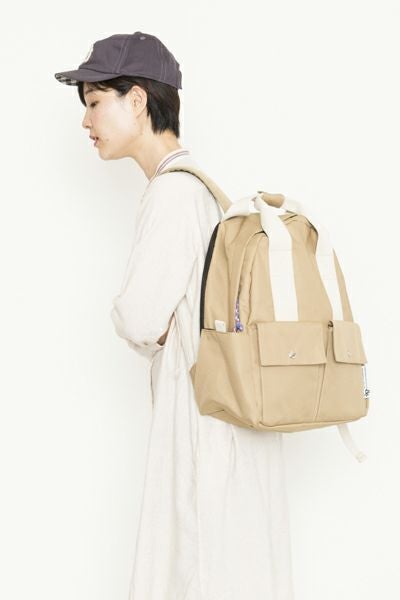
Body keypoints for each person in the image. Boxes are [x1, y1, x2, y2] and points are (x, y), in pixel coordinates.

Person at [55, 31, 295, 600]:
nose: (86, 121)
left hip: (200, 431)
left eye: (95, 102)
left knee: (194, 571)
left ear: (137, 100)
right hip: (228, 421)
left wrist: (143, 325)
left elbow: (139, 317)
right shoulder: (205, 190)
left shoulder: (172, 193)